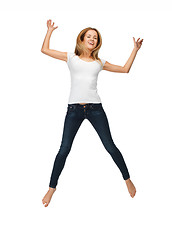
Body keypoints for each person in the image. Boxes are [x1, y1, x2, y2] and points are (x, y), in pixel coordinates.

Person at [41, 19, 143, 207]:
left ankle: (127, 179)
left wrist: (135, 50)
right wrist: (49, 31)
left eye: (95, 37)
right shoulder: (71, 57)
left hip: (96, 109)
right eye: (89, 36)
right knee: (64, 149)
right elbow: (45, 50)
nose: (92, 39)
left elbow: (125, 69)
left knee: (110, 146)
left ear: (97, 42)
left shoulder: (99, 62)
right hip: (74, 109)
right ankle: (51, 189)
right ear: (82, 39)